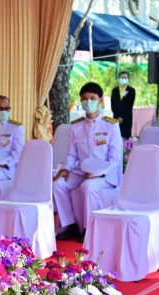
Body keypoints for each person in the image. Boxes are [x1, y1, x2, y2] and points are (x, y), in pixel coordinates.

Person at [53, 82, 123, 241]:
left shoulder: (111, 125)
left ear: (100, 101)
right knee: (58, 183)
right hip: (82, 172)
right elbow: (71, 155)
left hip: (105, 175)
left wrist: (98, 173)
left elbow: (115, 159)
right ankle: (69, 225)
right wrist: (65, 169)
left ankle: (88, 228)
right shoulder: (76, 126)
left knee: (88, 186)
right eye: (85, 99)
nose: (88, 102)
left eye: (92, 98)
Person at [111, 71, 136, 140]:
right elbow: (113, 105)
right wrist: (117, 117)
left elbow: (130, 106)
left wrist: (123, 118)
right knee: (116, 137)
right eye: (122, 78)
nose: (123, 79)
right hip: (116, 118)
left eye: (125, 78)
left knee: (126, 138)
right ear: (119, 78)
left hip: (126, 119)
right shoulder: (114, 90)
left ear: (128, 79)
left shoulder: (131, 90)